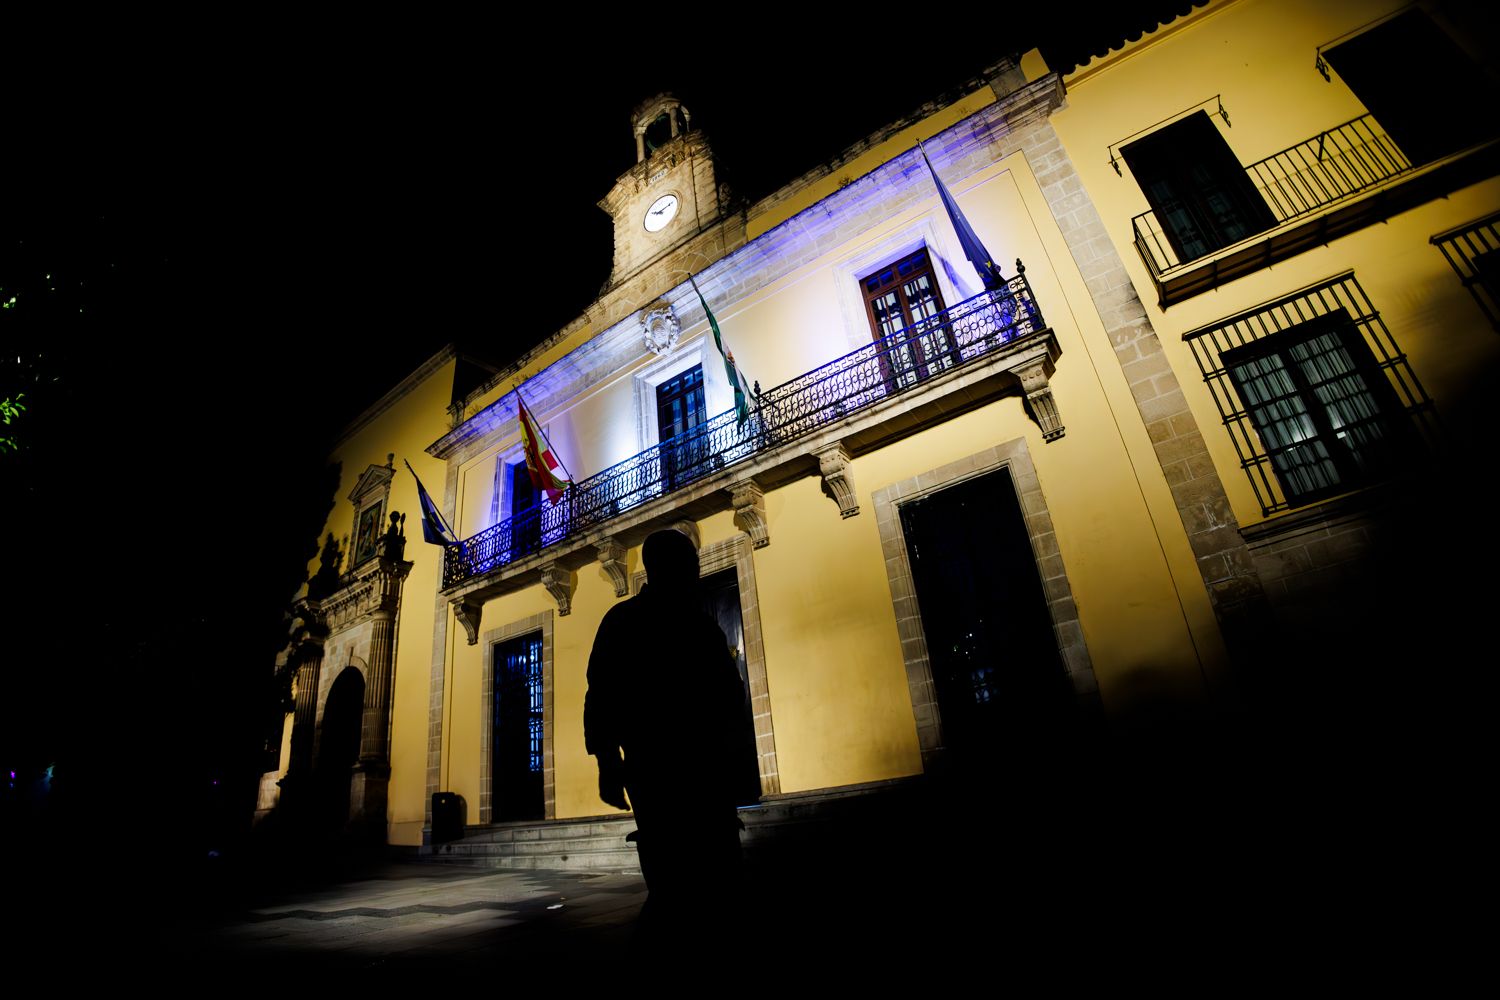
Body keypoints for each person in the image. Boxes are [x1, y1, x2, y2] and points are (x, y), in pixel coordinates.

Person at [584, 528, 753, 932]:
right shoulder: (635, 623)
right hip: (662, 770)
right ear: (666, 568)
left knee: (707, 885)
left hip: (692, 771)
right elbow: (602, 696)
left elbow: (730, 696)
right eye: (690, 564)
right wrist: (608, 762)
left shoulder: (692, 625)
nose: (695, 572)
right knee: (678, 886)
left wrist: (609, 764)